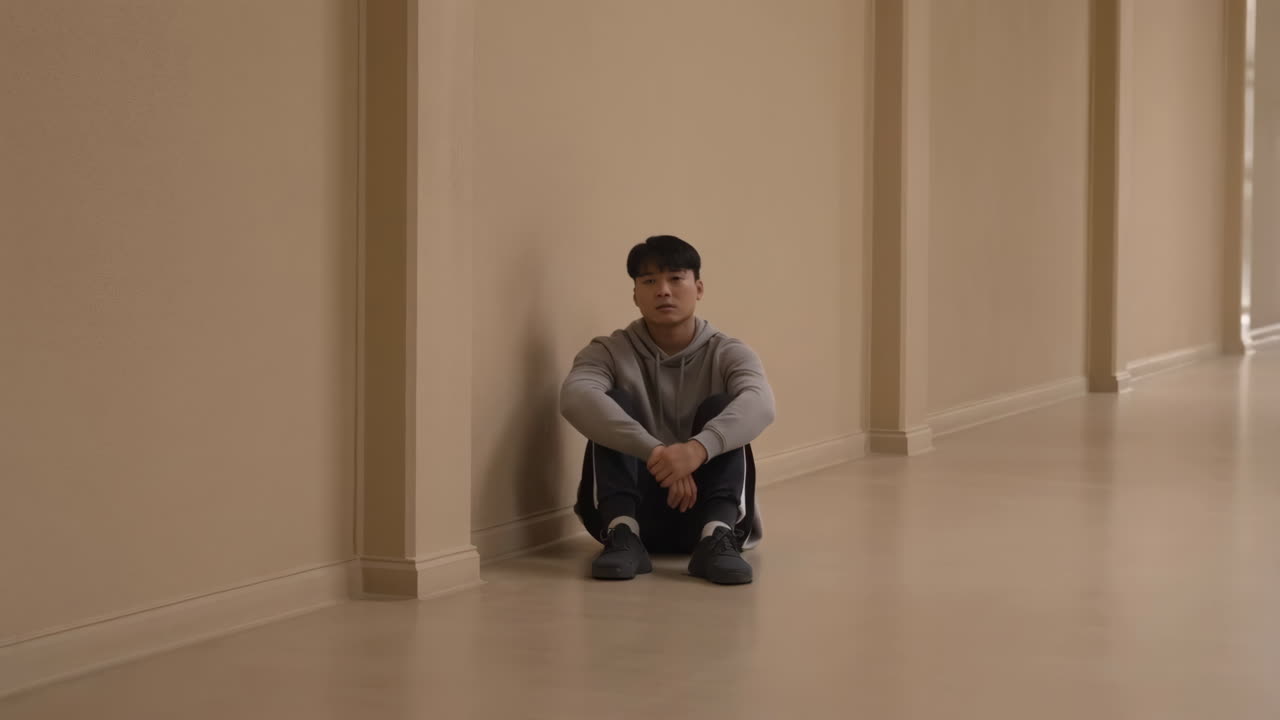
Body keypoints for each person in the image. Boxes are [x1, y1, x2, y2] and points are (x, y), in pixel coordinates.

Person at [559, 235, 776, 584]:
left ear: (699, 287)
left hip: (706, 512)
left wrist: (696, 451)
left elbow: (762, 404)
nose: (663, 290)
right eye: (649, 281)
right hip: (632, 514)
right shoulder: (609, 351)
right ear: (635, 295)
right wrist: (657, 453)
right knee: (611, 404)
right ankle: (622, 535)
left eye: (676, 278)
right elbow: (575, 397)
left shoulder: (729, 352)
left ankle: (718, 538)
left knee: (723, 406)